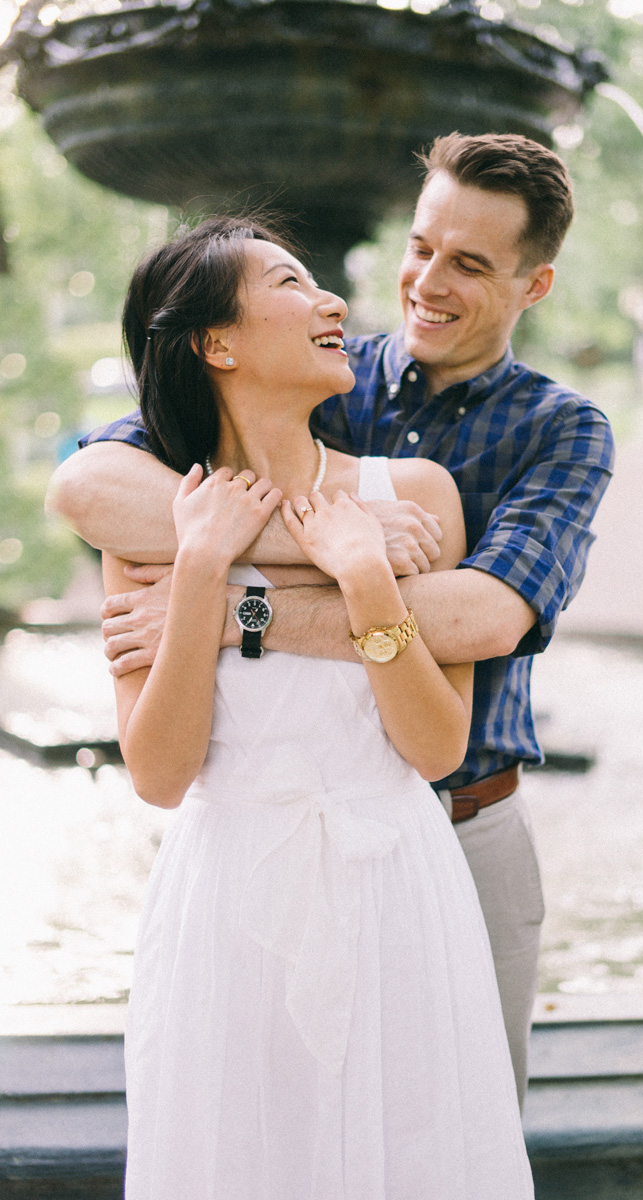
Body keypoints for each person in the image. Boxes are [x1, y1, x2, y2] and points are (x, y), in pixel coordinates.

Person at [48, 133, 615, 1107]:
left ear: (534, 284)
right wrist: (319, 545)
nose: (425, 280)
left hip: (458, 832)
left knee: (447, 1130)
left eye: (469, 264)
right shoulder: (307, 365)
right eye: (422, 244)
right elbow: (94, 488)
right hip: (256, 857)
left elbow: (480, 617)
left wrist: (232, 608)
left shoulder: (558, 431)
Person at [103, 214, 534, 1199]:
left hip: (396, 895)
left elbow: (433, 751)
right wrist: (207, 567)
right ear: (216, 342)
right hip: (225, 908)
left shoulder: (413, 494)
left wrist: (369, 584)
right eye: (291, 283)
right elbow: (160, 777)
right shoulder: (158, 525)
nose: (332, 300)